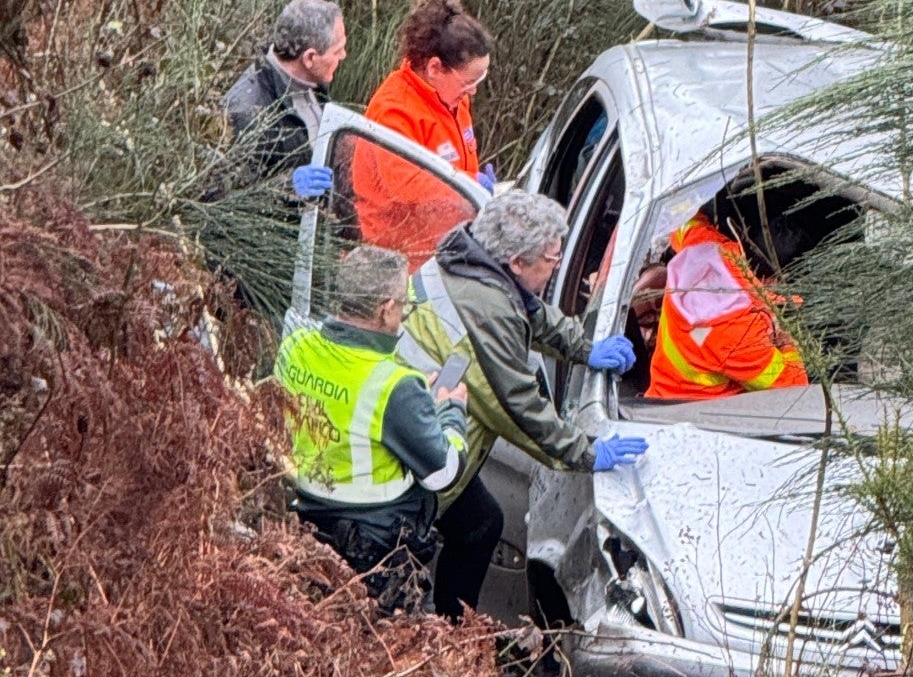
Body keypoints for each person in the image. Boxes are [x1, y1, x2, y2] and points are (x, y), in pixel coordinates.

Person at [400, 187, 647, 618]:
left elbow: (530, 309)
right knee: (405, 560)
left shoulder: (472, 260)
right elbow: (520, 409)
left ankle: (453, 630)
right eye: (552, 260)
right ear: (516, 262)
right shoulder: (487, 310)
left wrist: (583, 346)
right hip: (409, 458)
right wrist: (587, 452)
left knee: (481, 523)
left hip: (425, 432)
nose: (557, 268)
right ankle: (435, 640)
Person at [274, 242, 469, 615]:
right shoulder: (396, 385)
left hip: (301, 520)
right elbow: (442, 473)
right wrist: (451, 411)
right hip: (375, 547)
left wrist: (412, 407)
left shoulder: (295, 345)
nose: (404, 314)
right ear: (385, 310)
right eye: (404, 305)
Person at [354, 0, 497, 266]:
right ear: (435, 68)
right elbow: (407, 186)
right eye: (469, 81)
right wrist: (467, 185)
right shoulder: (394, 111)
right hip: (401, 260)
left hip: (446, 246)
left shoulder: (454, 97)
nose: (474, 90)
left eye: (481, 77)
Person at [645, 193, 808, 400]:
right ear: (774, 279)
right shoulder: (738, 331)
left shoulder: (705, 246)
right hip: (690, 415)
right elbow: (794, 389)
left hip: (663, 388)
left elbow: (684, 220)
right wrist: (787, 342)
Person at [219, 0, 347, 186]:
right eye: (337, 51)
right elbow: (227, 197)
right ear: (310, 58)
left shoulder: (310, 78)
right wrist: (288, 186)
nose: (344, 56)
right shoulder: (247, 113)